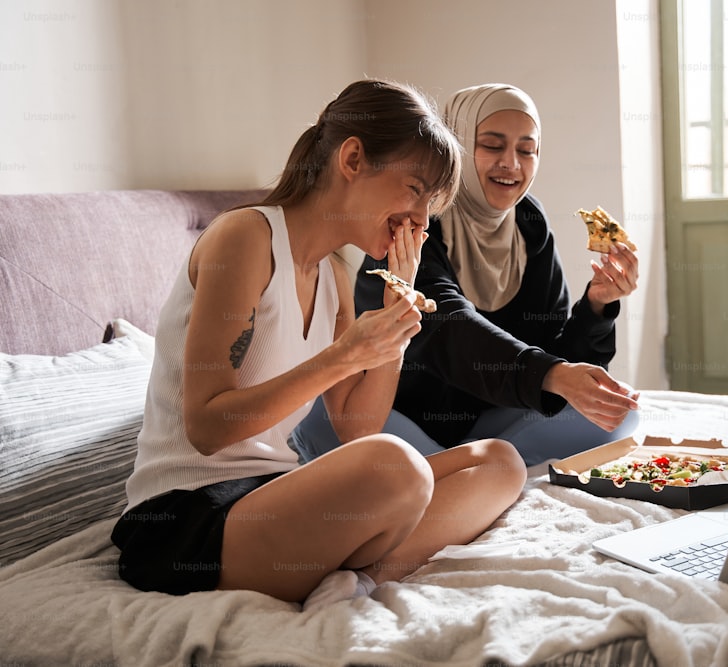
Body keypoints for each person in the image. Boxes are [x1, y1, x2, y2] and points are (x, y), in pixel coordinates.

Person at [110, 79, 527, 607]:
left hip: (272, 496)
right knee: (397, 467)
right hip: (183, 518)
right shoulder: (245, 238)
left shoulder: (334, 279)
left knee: (499, 462)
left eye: (431, 205)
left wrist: (394, 322)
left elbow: (356, 427)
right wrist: (345, 353)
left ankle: (360, 581)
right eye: (415, 190)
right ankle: (352, 570)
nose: (422, 220)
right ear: (352, 159)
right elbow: (208, 426)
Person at [292, 83, 641, 467]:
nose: (511, 163)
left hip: (484, 419)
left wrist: (596, 305)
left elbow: (555, 361)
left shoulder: (529, 222)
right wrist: (554, 375)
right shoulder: (416, 221)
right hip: (399, 417)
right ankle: (468, 467)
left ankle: (470, 466)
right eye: (492, 145)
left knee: (619, 412)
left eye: (527, 150)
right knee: (396, 461)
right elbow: (449, 329)